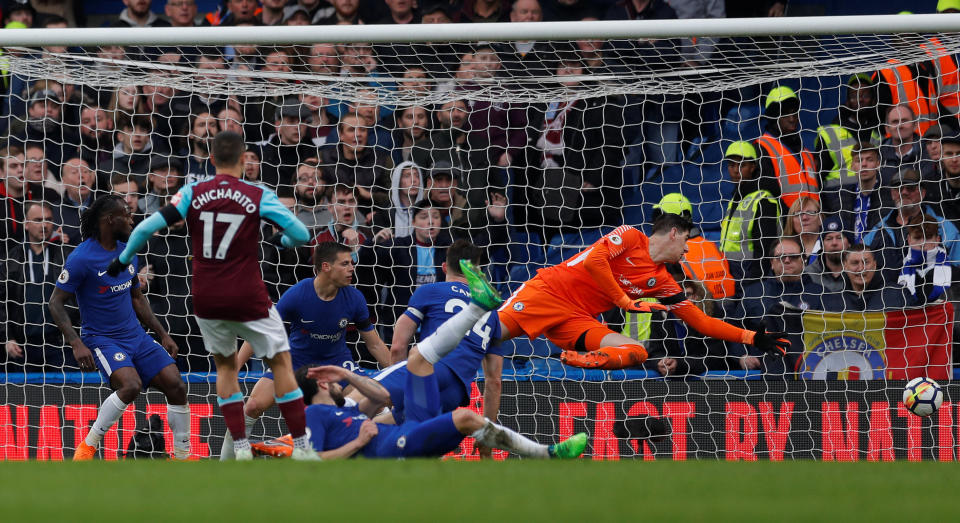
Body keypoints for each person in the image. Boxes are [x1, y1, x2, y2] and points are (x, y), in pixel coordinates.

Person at [107, 131, 316, 461]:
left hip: (207, 297)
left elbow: (145, 229)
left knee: (225, 368)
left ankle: (241, 447)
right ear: (245, 157)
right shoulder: (257, 193)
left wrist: (121, 261)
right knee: (281, 364)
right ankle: (303, 447)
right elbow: (302, 234)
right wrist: (287, 244)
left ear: (213, 160)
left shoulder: (192, 192)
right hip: (248, 295)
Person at [292, 265, 586, 459]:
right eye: (330, 380)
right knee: (465, 415)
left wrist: (345, 372)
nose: (335, 383)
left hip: (407, 425)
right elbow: (306, 458)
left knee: (419, 358)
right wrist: (356, 443)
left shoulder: (348, 411)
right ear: (320, 383)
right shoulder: (316, 415)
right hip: (400, 441)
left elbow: (382, 397)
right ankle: (548, 453)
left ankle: (477, 307)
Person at [440, 213, 790, 371]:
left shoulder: (665, 282)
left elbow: (701, 322)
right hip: (547, 293)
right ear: (671, 234)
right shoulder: (631, 236)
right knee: (482, 336)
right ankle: (428, 361)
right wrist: (623, 300)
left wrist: (752, 337)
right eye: (686, 241)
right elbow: (594, 262)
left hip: (578, 319)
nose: (687, 250)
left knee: (636, 350)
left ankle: (582, 359)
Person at [47, 195, 190, 460]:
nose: (131, 218)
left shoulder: (128, 251)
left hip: (136, 336)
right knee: (130, 385)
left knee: (177, 385)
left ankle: (182, 456)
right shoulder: (82, 258)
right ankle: (88, 446)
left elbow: (137, 297)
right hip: (102, 339)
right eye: (126, 214)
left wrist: (162, 334)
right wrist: (76, 343)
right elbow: (55, 302)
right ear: (110, 220)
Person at [221, 242, 390, 459]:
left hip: (336, 363)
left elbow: (374, 344)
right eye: (345, 263)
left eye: (352, 263)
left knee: (378, 404)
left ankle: (387, 456)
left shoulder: (355, 298)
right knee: (252, 405)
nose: (352, 268)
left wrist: (400, 371)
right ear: (326, 267)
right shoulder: (298, 294)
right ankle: (223, 463)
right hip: (296, 361)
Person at [370, 240, 506, 430]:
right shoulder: (492, 314)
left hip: (429, 371)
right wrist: (487, 432)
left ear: (443, 267)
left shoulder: (430, 291)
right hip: (457, 391)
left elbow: (398, 346)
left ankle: (327, 438)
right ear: (477, 271)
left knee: (359, 395)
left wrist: (400, 390)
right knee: (406, 428)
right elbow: (494, 381)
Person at [730, 237, 823, 376]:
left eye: (793, 256)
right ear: (772, 263)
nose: (787, 260)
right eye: (780, 257)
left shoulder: (820, 294)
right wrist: (742, 356)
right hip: (759, 372)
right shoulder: (754, 293)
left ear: (803, 260)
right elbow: (734, 328)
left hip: (807, 372)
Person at [4, 202, 75, 371]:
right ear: (26, 224)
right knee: (24, 397)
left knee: (65, 395)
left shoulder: (66, 256)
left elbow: (80, 298)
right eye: (38, 220)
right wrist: (7, 337)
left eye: (48, 220)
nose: (44, 225)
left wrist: (74, 334)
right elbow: (2, 302)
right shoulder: (12, 259)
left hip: (59, 343)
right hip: (22, 346)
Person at [863, 168, 960, 274]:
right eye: (898, 188)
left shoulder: (945, 229)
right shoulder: (876, 232)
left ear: (923, 193)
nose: (904, 192)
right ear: (892, 193)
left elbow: (957, 269)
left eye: (910, 188)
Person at [718, 141, 782, 284]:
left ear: (753, 167)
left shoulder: (764, 200)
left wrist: (753, 282)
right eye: (731, 165)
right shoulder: (735, 198)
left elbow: (766, 248)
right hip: (730, 272)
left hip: (750, 276)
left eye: (742, 165)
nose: (736, 170)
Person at [755, 86, 819, 210]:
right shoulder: (762, 148)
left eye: (794, 112)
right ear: (773, 116)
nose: (792, 118)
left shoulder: (806, 153)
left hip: (813, 225)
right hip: (786, 226)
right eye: (785, 113)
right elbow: (767, 196)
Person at [821, 244, 908, 312]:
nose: (861, 268)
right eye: (855, 263)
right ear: (845, 266)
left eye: (866, 262)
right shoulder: (834, 301)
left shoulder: (898, 295)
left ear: (874, 265)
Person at [898, 214, 951, 305]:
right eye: (918, 238)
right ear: (909, 240)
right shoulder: (896, 269)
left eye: (928, 237)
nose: (922, 243)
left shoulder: (954, 272)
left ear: (937, 240)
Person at [804, 216, 851, 293]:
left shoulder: (859, 272)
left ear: (849, 243)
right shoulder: (808, 275)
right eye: (829, 239)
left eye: (839, 238)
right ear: (822, 246)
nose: (834, 243)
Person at [782, 196, 823, 265]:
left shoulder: (831, 246)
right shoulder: (781, 250)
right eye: (798, 214)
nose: (804, 217)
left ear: (820, 219)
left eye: (810, 212)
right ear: (791, 221)